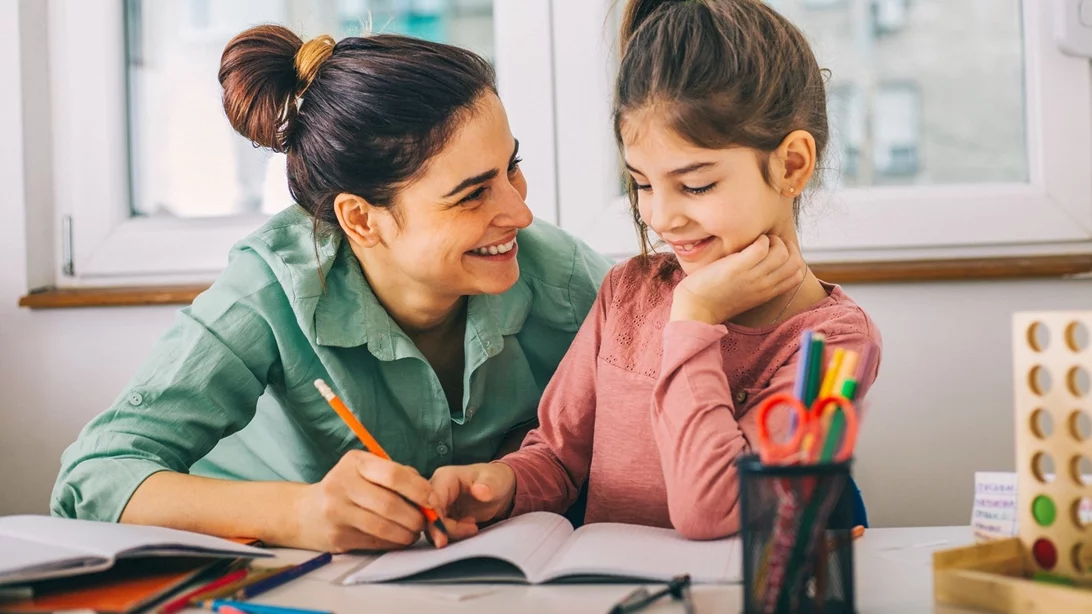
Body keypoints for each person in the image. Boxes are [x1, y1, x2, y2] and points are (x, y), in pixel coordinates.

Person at [51, 26, 612, 553]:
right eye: (472, 195)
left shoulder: (562, 279)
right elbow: (92, 479)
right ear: (361, 220)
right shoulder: (268, 289)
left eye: (511, 168)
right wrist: (299, 513)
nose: (520, 210)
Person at [430, 0, 882, 540]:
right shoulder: (628, 293)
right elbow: (557, 458)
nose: (660, 216)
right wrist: (499, 485)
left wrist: (694, 320)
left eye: (695, 185)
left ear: (791, 165)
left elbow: (712, 511)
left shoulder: (832, 347)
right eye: (643, 184)